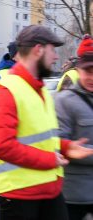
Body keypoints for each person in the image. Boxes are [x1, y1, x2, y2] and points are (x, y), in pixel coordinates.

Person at [0, 25, 93, 220]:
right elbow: (3, 146)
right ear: (38, 50)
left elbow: (41, 138)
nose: (56, 57)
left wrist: (65, 147)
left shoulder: (39, 90)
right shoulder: (7, 90)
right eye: (52, 50)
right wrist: (50, 159)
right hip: (19, 195)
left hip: (47, 189)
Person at [55, 35, 93, 220]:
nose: (92, 77)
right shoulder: (64, 101)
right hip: (74, 193)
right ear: (78, 70)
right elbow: (60, 144)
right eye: (88, 71)